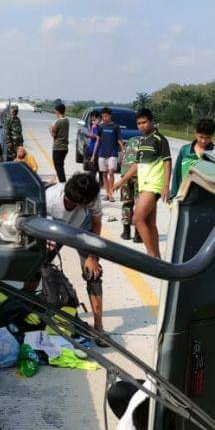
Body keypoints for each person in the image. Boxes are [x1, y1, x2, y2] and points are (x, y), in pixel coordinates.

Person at [26, 173, 107, 343]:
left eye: (74, 204)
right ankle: (23, 305)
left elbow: (97, 225)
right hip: (55, 226)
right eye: (68, 201)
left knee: (94, 274)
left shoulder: (92, 199)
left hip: (82, 227)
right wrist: (45, 238)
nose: (69, 205)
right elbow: (35, 221)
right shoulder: (50, 197)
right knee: (35, 268)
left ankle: (99, 327)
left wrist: (93, 256)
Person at [113, 108, 171, 259]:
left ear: (151, 121)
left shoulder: (160, 139)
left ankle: (150, 255)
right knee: (150, 223)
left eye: (144, 122)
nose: (141, 126)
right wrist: (121, 181)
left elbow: (167, 163)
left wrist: (166, 185)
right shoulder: (142, 141)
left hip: (154, 185)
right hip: (144, 185)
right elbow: (136, 165)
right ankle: (158, 257)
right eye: (138, 123)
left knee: (137, 219)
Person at [170, 118, 215, 200]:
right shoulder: (185, 151)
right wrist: (173, 196)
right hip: (185, 198)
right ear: (195, 133)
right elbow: (177, 174)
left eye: (207, 138)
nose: (204, 141)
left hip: (207, 200)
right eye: (201, 137)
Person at [93, 107, 124, 203]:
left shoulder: (115, 126)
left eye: (106, 116)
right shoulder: (100, 127)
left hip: (112, 153)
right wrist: (94, 154)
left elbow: (119, 140)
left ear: (110, 116)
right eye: (103, 116)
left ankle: (111, 194)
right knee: (104, 174)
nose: (104, 118)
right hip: (102, 153)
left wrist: (123, 151)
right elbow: (98, 140)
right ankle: (107, 193)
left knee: (111, 172)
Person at [118, 135, 142, 243]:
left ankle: (126, 232)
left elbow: (120, 159)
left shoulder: (130, 141)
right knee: (139, 205)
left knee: (127, 203)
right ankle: (138, 235)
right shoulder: (148, 142)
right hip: (139, 175)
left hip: (125, 174)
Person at [49, 103, 69, 182]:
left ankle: (62, 184)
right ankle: (62, 182)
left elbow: (54, 134)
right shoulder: (67, 121)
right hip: (65, 147)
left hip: (58, 147)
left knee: (58, 167)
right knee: (60, 166)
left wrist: (50, 129)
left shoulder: (58, 122)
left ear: (58, 112)